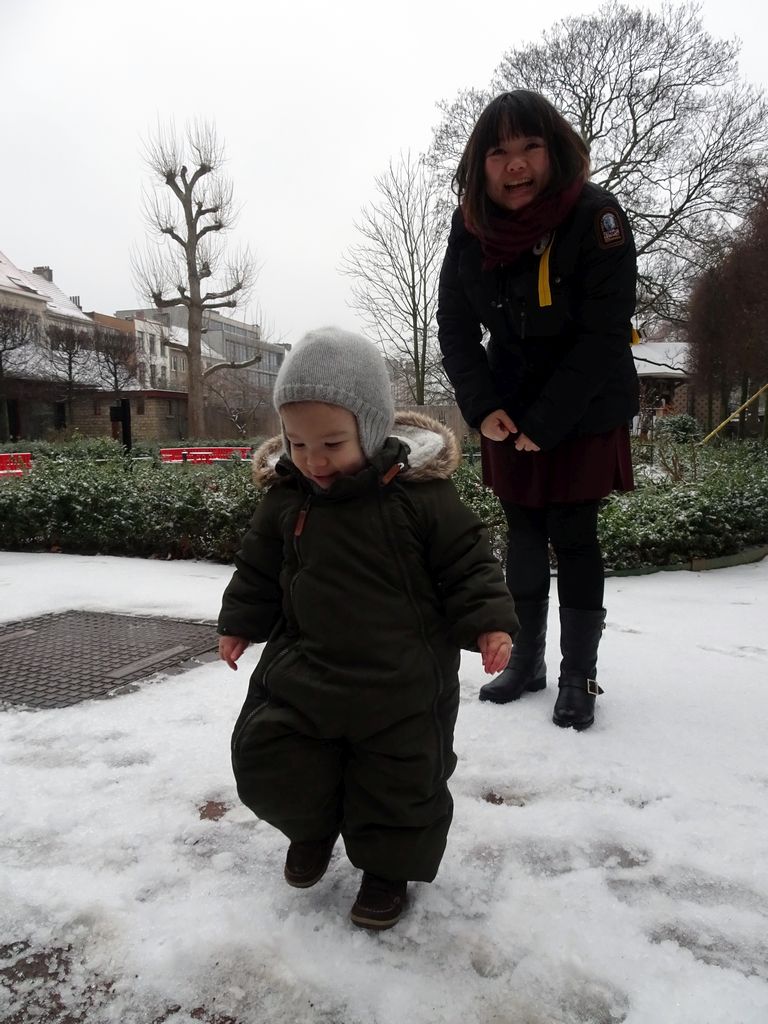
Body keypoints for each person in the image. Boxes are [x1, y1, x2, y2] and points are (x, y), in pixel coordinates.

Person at [217, 327, 518, 930]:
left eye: (331, 442)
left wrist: (489, 623)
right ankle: (312, 827)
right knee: (278, 754)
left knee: (399, 778)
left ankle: (386, 870)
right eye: (298, 444)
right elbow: (258, 567)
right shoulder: (288, 499)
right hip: (308, 669)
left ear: (373, 427)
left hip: (400, 680)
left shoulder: (418, 498)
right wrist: (241, 623)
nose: (314, 460)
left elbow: (467, 562)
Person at [437, 90, 639, 732]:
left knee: (574, 532)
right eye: (499, 151)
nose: (515, 164)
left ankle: (579, 674)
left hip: (586, 401)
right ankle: (524, 660)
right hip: (509, 403)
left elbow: (605, 333)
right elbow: (455, 325)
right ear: (481, 162)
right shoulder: (470, 223)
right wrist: (483, 406)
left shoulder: (596, 216)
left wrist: (547, 423)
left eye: (530, 147)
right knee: (522, 528)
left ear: (554, 151)